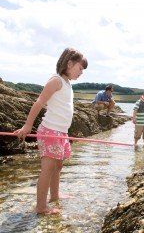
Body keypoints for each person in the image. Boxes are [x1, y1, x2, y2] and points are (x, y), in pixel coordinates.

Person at [14, 47, 88, 214]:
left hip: (61, 133)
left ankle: (54, 196)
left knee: (58, 166)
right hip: (50, 132)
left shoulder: (68, 84)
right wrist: (27, 126)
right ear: (69, 63)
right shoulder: (56, 81)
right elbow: (39, 102)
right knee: (48, 168)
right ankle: (40, 207)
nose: (81, 72)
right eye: (80, 68)